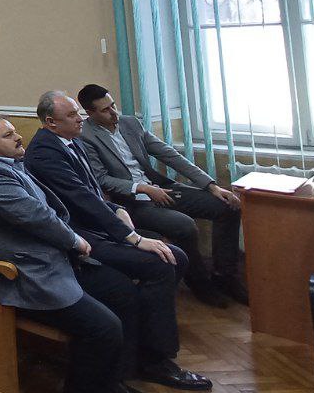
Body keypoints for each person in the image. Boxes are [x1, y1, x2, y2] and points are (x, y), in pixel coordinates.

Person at [0, 115, 151, 393]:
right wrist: (74, 240)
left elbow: (48, 211)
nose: (18, 137)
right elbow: (38, 217)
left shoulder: (11, 164)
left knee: (122, 292)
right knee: (104, 326)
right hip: (29, 274)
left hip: (55, 259)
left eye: (14, 131)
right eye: (8, 135)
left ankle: (111, 380)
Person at [24, 91, 210, 393]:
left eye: (77, 112)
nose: (80, 118)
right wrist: (132, 238)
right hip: (79, 238)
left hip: (98, 227)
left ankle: (142, 351)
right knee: (164, 262)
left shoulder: (70, 140)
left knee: (173, 257)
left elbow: (92, 191)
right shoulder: (44, 152)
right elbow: (80, 199)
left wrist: (116, 209)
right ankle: (155, 360)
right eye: (72, 115)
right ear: (51, 122)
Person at [77, 84, 246, 307]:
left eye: (113, 105)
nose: (114, 112)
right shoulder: (85, 136)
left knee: (226, 207)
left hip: (160, 188)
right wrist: (142, 188)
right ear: (90, 113)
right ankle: (200, 284)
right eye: (105, 110)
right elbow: (101, 179)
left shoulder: (130, 123)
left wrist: (211, 186)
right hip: (133, 203)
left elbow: (169, 154)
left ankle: (225, 276)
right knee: (184, 226)